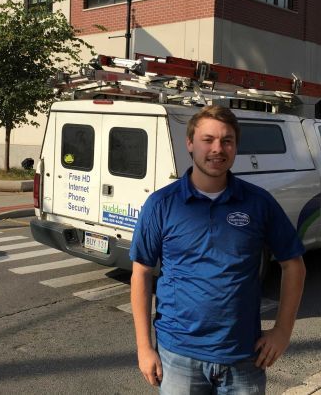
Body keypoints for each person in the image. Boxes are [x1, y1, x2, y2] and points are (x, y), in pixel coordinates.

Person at [130, 105, 306, 394]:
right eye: (207, 139)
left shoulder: (258, 203)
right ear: (189, 143)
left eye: (227, 141)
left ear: (236, 147)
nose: (217, 149)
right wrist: (143, 347)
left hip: (244, 355)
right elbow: (141, 273)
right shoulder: (162, 204)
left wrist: (282, 332)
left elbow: (294, 265)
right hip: (179, 355)